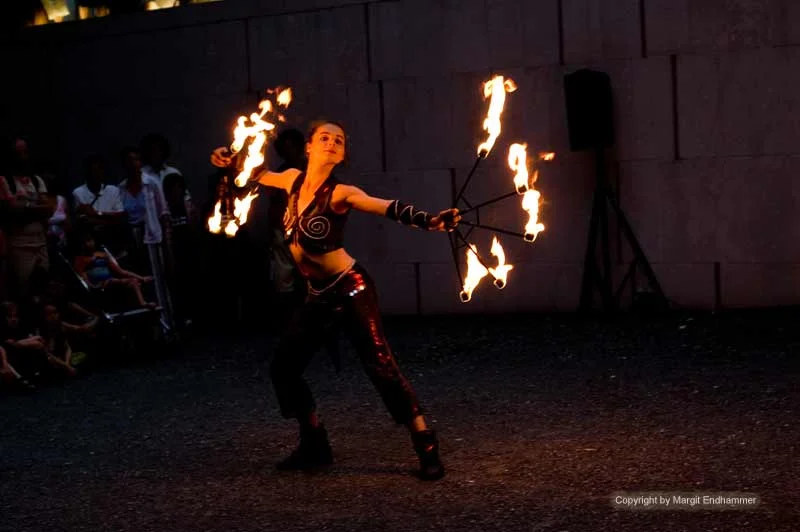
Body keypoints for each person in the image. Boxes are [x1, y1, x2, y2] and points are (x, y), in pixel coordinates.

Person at [210, 120, 460, 480]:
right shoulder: (291, 179)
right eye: (324, 137)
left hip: (350, 286)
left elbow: (382, 205)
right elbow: (250, 172)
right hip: (315, 293)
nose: (331, 143)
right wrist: (227, 158)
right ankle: (315, 442)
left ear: (342, 154)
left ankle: (426, 444)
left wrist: (431, 221)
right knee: (284, 368)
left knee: (380, 364)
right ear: (309, 147)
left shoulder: (342, 192)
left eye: (338, 140)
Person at [119, 146, 174, 326]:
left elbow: (163, 211)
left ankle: (167, 324)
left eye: (135, 160)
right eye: (129, 160)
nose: (132, 164)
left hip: (151, 236)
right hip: (132, 239)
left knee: (157, 281)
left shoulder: (151, 183)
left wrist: (167, 240)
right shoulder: (121, 188)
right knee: (139, 281)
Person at [0, 137, 54, 298]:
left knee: (44, 290)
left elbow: (49, 209)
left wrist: (26, 207)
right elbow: (11, 212)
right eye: (19, 153)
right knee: (23, 291)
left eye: (25, 152)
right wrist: (32, 208)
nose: (24, 157)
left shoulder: (36, 181)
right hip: (19, 245)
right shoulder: (4, 181)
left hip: (41, 242)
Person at [73, 232, 156, 309]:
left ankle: (143, 303)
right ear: (82, 245)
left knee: (134, 282)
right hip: (99, 286)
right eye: (87, 241)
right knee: (114, 281)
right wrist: (91, 286)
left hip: (111, 282)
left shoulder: (101, 254)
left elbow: (121, 271)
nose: (90, 243)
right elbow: (83, 276)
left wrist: (142, 278)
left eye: (91, 240)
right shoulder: (79, 259)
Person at [72, 155, 126, 250]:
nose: (96, 174)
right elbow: (84, 222)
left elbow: (119, 216)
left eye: (99, 170)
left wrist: (96, 214)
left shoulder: (113, 190)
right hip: (91, 242)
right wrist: (108, 220)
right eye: (93, 171)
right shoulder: (78, 193)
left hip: (112, 240)